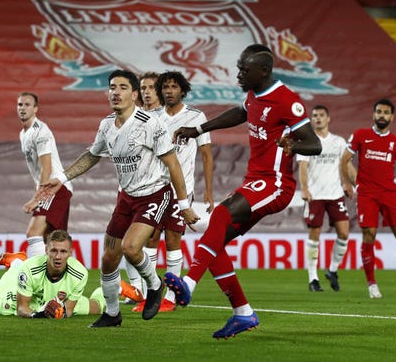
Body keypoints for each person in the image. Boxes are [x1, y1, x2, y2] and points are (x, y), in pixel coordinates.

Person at [164, 44, 321, 339]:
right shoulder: (254, 95)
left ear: (263, 72)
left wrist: (293, 145)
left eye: (243, 70)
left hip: (276, 183)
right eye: (238, 69)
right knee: (215, 240)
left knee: (221, 214)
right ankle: (243, 313)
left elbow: (315, 144)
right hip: (255, 180)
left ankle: (189, 285)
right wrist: (198, 129)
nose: (238, 75)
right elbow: (241, 112)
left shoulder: (287, 101)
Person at [41, 69, 199, 327]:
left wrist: (183, 206)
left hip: (154, 195)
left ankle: (155, 285)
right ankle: (113, 314)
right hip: (126, 198)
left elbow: (173, 164)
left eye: (123, 87)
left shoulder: (150, 124)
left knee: (130, 248)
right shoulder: (106, 125)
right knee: (108, 258)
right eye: (112, 87)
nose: (115, 92)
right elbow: (93, 155)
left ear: (135, 94)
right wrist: (62, 177)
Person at [131, 71, 214, 313]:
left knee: (172, 241)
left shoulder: (196, 117)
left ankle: (170, 297)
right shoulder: (152, 116)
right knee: (150, 240)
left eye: (173, 87)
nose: (168, 91)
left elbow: (207, 155)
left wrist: (208, 191)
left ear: (183, 90)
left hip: (182, 189)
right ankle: (151, 294)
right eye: (165, 87)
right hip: (155, 189)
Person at [340, 98, 396, 299]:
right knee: (369, 235)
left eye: (386, 113)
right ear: (374, 114)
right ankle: (371, 284)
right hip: (367, 195)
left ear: (392, 117)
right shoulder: (361, 135)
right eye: (379, 111)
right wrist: (346, 183)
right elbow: (344, 160)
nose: (382, 115)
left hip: (390, 194)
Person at [0, 92, 73, 266]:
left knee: (33, 233)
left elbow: (47, 168)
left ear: (36, 109)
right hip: (52, 188)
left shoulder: (41, 132)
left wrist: (36, 199)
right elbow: (37, 173)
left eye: (27, 105)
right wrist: (37, 194)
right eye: (20, 105)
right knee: (53, 241)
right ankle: (54, 281)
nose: (23, 108)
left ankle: (29, 272)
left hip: (56, 187)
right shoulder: (24, 134)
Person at [297, 105, 355, 292]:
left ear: (328, 118)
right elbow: (303, 167)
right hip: (316, 195)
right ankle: (313, 278)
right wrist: (304, 189)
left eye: (321, 115)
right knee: (315, 234)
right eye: (315, 116)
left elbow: (346, 165)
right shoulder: (307, 142)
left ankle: (332, 269)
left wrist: (353, 183)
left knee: (344, 233)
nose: (318, 118)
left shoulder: (338, 142)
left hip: (335, 195)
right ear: (312, 119)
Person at [0, 229, 106, 318]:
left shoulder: (80, 273)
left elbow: (69, 310)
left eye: (63, 251)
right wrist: (39, 315)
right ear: (46, 251)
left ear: (70, 253)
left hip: (61, 301)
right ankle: (16, 263)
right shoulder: (29, 269)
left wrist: (59, 311)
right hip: (32, 300)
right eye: (53, 251)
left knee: (98, 308)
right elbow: (22, 308)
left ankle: (111, 288)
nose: (58, 256)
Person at [123, 71, 163, 301]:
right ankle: (136, 289)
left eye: (151, 88)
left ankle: (151, 288)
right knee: (125, 241)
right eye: (144, 88)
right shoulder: (131, 116)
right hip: (129, 186)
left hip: (153, 187)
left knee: (147, 239)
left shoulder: (163, 118)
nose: (147, 92)